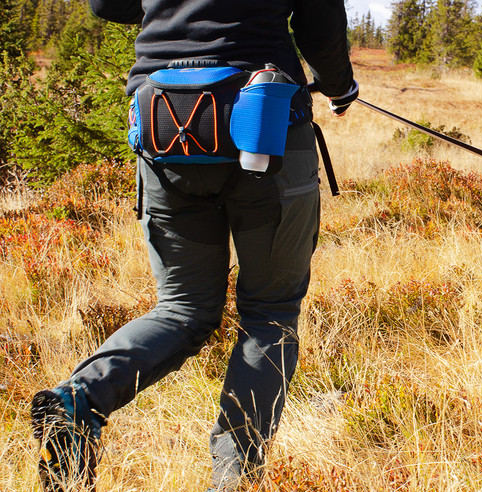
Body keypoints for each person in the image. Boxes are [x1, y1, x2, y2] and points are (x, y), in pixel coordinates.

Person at [29, 1, 357, 491]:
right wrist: (339, 85)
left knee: (182, 308)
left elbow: (104, 3)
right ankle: (234, 480)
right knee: (270, 312)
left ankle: (79, 402)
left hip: (165, 125)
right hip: (266, 123)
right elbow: (321, 21)